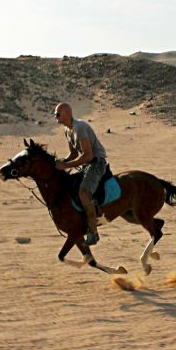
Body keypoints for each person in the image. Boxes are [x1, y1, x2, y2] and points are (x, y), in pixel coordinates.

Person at [54, 102, 109, 245]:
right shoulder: (67, 130)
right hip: (86, 165)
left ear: (67, 113)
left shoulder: (80, 128)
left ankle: (93, 232)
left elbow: (88, 156)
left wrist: (66, 165)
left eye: (58, 114)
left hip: (96, 164)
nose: (56, 117)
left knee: (83, 193)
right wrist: (61, 162)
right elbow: (73, 154)